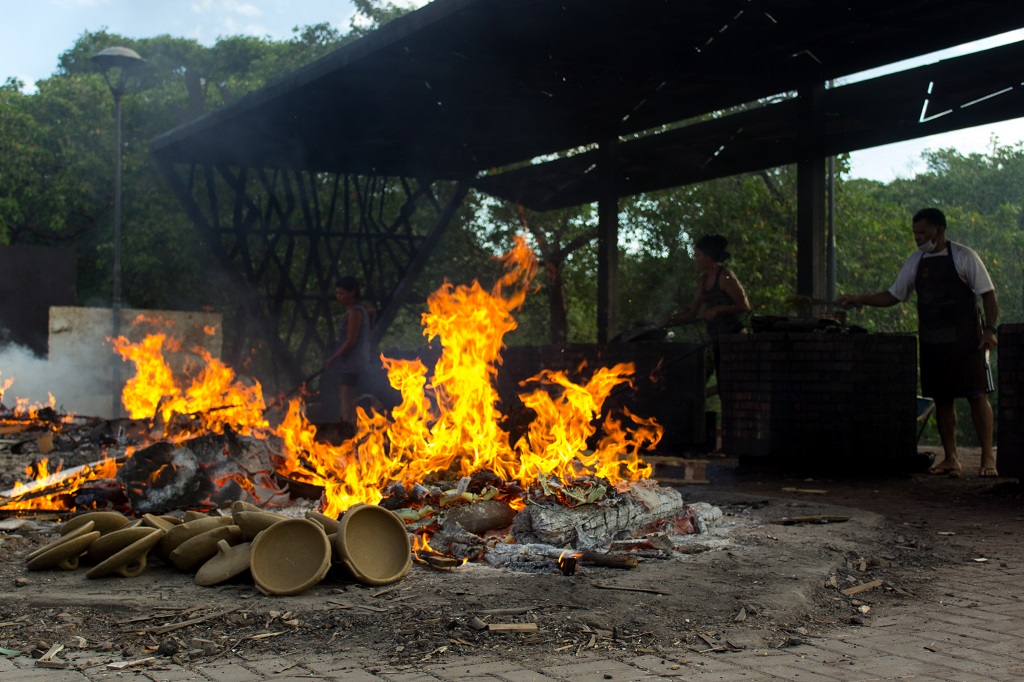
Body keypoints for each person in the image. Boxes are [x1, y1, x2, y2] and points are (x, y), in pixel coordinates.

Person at [837, 207, 999, 478]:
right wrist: (857, 298)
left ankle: (987, 458)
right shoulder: (915, 262)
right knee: (942, 400)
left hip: (967, 341)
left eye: (922, 232)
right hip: (933, 343)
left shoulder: (964, 257)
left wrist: (990, 330)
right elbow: (893, 295)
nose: (917, 238)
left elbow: (988, 295)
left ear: (939, 230)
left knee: (977, 396)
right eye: (914, 233)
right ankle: (951, 459)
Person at [662, 234, 751, 377]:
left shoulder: (725, 276)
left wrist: (718, 309)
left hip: (735, 339)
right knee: (723, 381)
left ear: (708, 256)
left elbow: (744, 306)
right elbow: (692, 312)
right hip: (717, 339)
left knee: (736, 381)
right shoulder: (702, 282)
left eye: (698, 255)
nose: (696, 259)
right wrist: (671, 319)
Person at [324, 276, 373, 424]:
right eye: (337, 293)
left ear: (352, 293)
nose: (339, 296)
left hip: (354, 362)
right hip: (352, 361)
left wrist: (333, 358)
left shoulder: (355, 313)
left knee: (346, 393)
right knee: (346, 393)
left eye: (342, 293)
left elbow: (351, 340)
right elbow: (373, 312)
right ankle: (347, 422)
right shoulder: (357, 311)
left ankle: (348, 426)